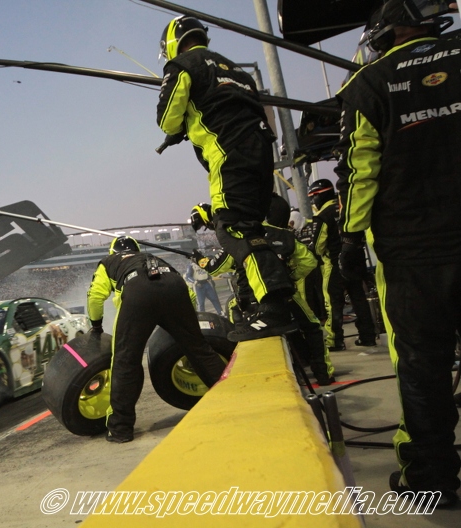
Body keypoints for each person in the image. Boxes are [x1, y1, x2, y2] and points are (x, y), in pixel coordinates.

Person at [334, 0, 460, 507]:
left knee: (423, 371)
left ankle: (431, 482)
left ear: (384, 32)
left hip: (412, 258)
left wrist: (349, 239)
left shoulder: (366, 84)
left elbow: (359, 173)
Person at [156, 15, 295, 341]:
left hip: (229, 156)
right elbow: (230, 107)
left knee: (233, 227)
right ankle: (268, 304)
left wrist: (180, 129)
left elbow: (166, 119)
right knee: (249, 228)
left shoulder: (182, 66)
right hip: (261, 155)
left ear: (173, 43)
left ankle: (275, 309)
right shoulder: (238, 71)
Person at [87, 236, 227, 443]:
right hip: (174, 287)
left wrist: (96, 325)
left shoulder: (108, 262)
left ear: (111, 252)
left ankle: (120, 428)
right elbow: (190, 294)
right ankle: (231, 399)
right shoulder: (151, 257)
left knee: (125, 362)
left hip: (137, 294)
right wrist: (188, 323)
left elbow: (95, 297)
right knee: (200, 350)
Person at [190, 198, 335, 385]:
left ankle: (264, 382)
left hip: (252, 301)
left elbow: (215, 268)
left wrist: (198, 259)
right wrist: (289, 277)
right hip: (287, 294)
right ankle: (324, 374)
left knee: (244, 334)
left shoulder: (238, 237)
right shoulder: (283, 234)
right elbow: (309, 261)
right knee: (312, 327)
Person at [306, 179, 378, 351]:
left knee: (333, 302)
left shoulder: (322, 216)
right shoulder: (346, 207)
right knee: (359, 299)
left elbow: (317, 246)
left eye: (313, 197)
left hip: (334, 263)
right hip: (356, 259)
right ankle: (368, 337)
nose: (313, 202)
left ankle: (335, 340)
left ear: (319, 195)